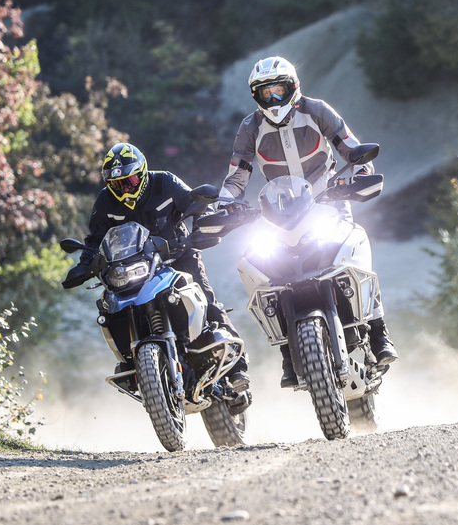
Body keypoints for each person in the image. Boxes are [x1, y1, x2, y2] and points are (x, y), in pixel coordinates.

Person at [220, 55, 398, 387]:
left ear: (293, 87)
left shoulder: (317, 111)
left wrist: (360, 174)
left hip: (328, 201)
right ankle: (287, 353)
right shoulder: (250, 127)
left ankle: (378, 331)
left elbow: (352, 148)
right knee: (259, 269)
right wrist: (224, 203)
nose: (273, 98)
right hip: (279, 212)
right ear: (256, 96)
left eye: (279, 89)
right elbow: (237, 175)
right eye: (265, 93)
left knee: (356, 247)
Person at [63, 142, 252, 401]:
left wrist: (202, 228)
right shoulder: (105, 201)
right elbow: (95, 239)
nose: (124, 189)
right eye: (117, 184)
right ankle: (132, 363)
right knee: (111, 306)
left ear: (141, 173)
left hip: (178, 256)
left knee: (207, 299)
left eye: (129, 181)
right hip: (134, 270)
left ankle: (238, 368)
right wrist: (85, 264)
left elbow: (197, 205)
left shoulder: (165, 182)